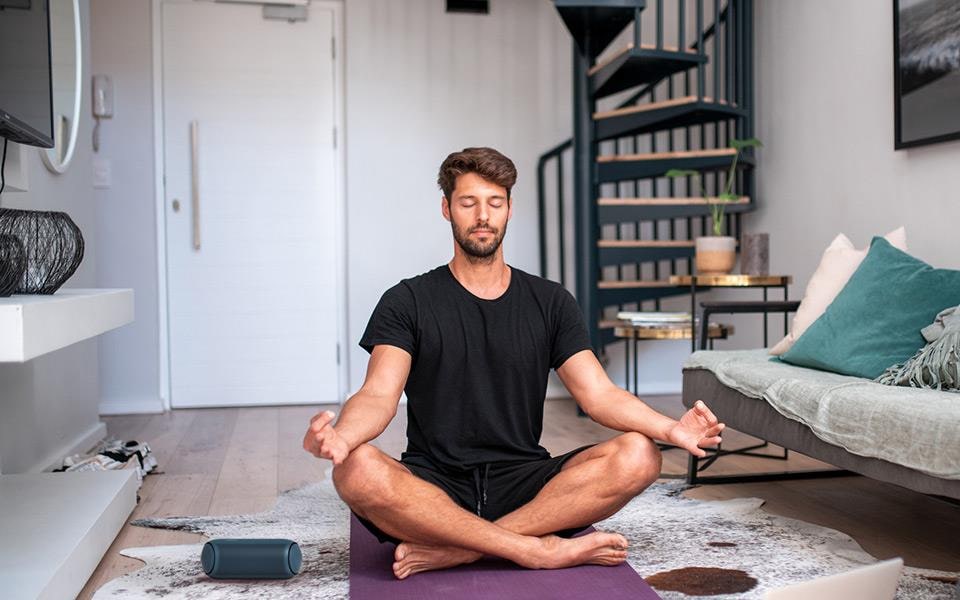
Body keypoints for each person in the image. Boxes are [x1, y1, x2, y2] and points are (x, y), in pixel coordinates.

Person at [303, 147, 725, 580]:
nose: (482, 215)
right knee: (354, 469)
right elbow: (378, 394)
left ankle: (461, 550)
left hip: (525, 483)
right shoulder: (407, 301)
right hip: (434, 487)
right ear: (447, 209)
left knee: (640, 454)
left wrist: (671, 429)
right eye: (468, 203)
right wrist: (342, 436)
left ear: (509, 209)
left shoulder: (551, 301)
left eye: (495, 202)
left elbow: (599, 394)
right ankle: (534, 550)